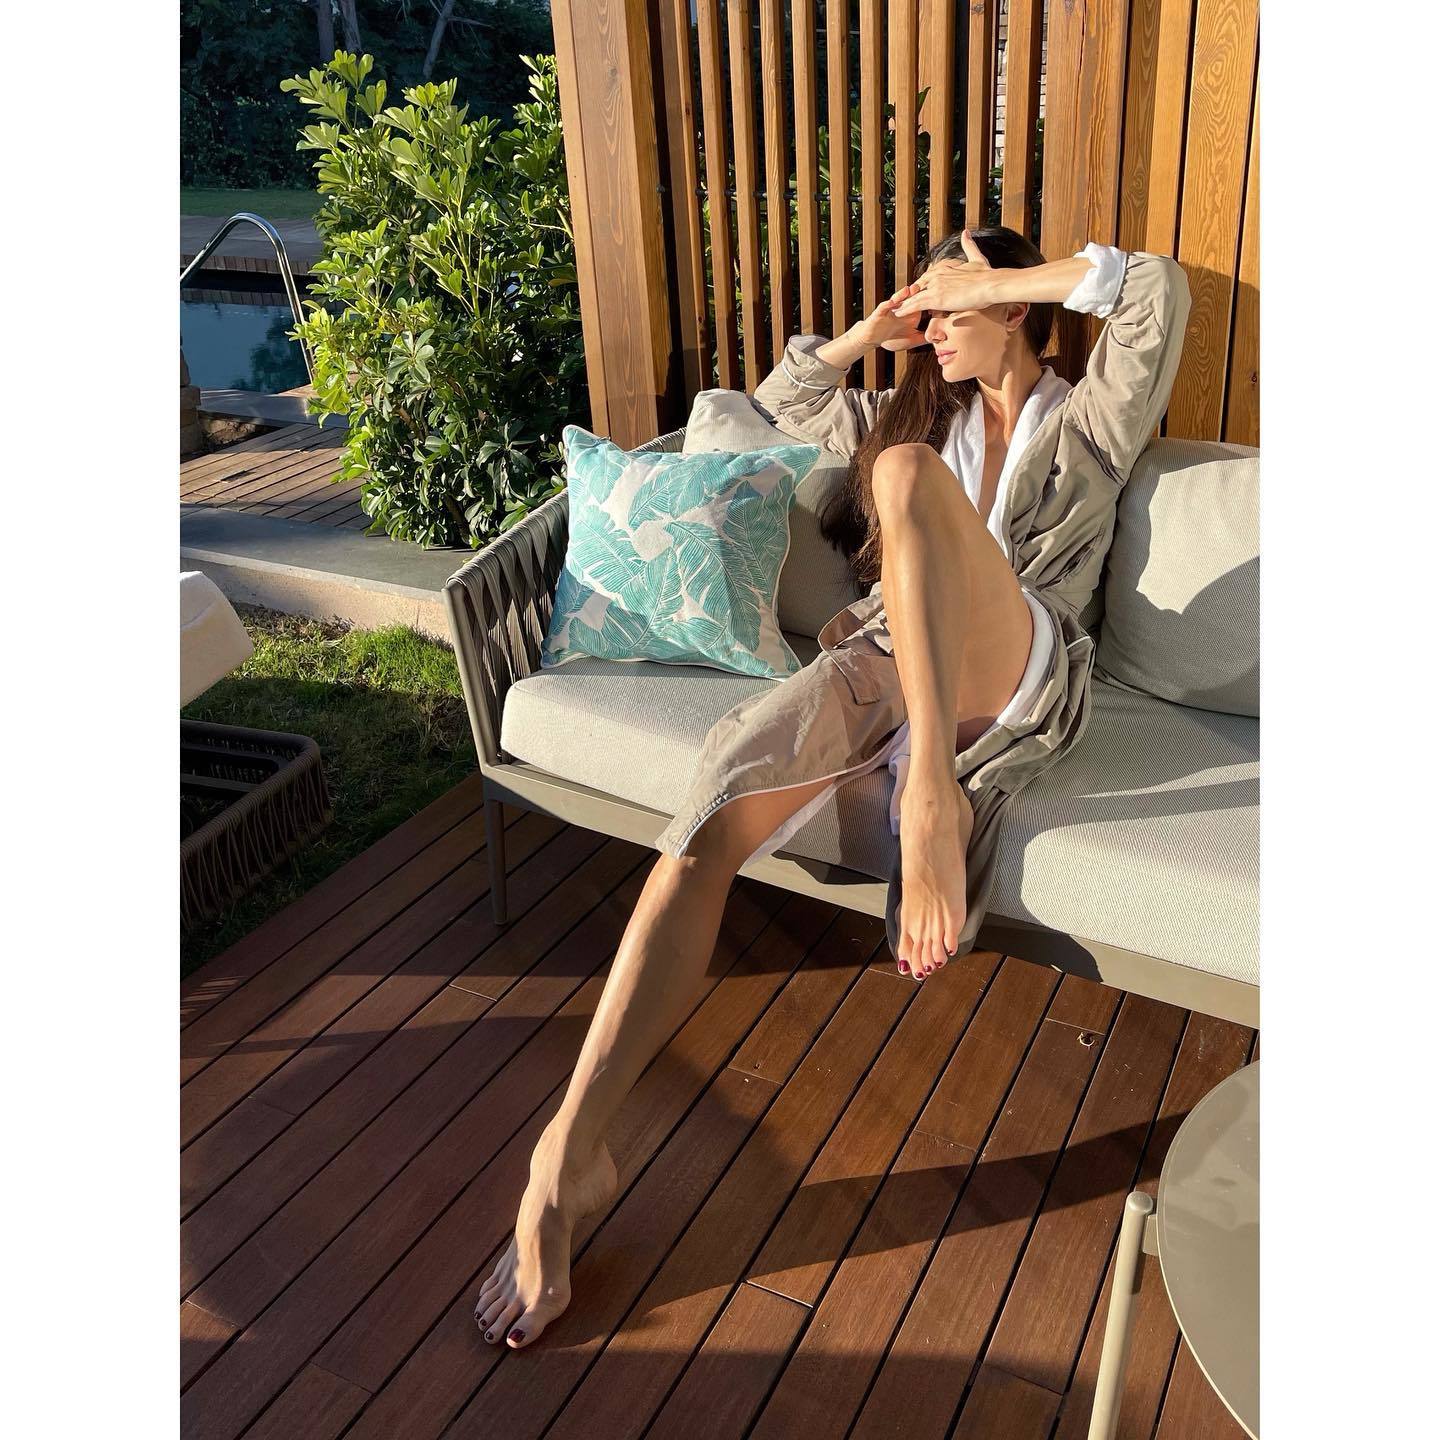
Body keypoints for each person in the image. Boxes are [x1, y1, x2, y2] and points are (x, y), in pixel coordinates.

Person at [474, 226, 1192, 1351]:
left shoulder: (1088, 420)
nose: (935, 325)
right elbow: (773, 405)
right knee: (710, 814)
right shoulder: (910, 417)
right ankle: (568, 1155)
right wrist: (873, 331)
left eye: (955, 303)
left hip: (1025, 665)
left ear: (1015, 305)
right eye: (929, 306)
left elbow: (1157, 291)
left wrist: (998, 279)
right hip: (880, 658)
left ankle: (930, 792)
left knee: (901, 479)